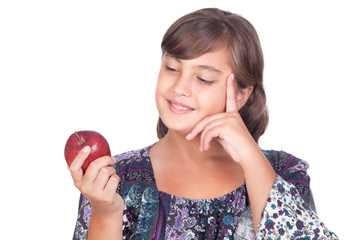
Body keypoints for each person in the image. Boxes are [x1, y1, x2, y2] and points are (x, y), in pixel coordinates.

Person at [69, 8, 338, 239]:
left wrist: (249, 156)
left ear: (242, 94)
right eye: (172, 68)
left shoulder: (285, 173)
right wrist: (106, 212)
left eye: (204, 79)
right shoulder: (115, 179)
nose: (180, 87)